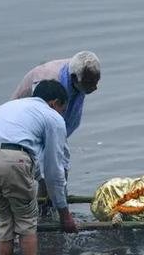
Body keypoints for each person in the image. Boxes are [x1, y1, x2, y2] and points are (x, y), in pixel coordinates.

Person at [0, 80, 78, 255]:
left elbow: (34, 160)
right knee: (27, 222)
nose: (62, 114)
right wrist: (64, 214)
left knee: (4, 221)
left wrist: (32, 178)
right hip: (12, 159)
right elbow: (53, 170)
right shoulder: (52, 117)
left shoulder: (9, 106)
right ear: (54, 103)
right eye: (62, 109)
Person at [11, 51, 101, 212]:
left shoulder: (80, 68)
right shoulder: (49, 81)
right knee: (46, 174)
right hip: (27, 130)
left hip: (55, 126)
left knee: (58, 170)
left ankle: (52, 206)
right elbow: (42, 121)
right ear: (74, 79)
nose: (95, 88)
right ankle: (45, 212)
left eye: (96, 81)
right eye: (89, 84)